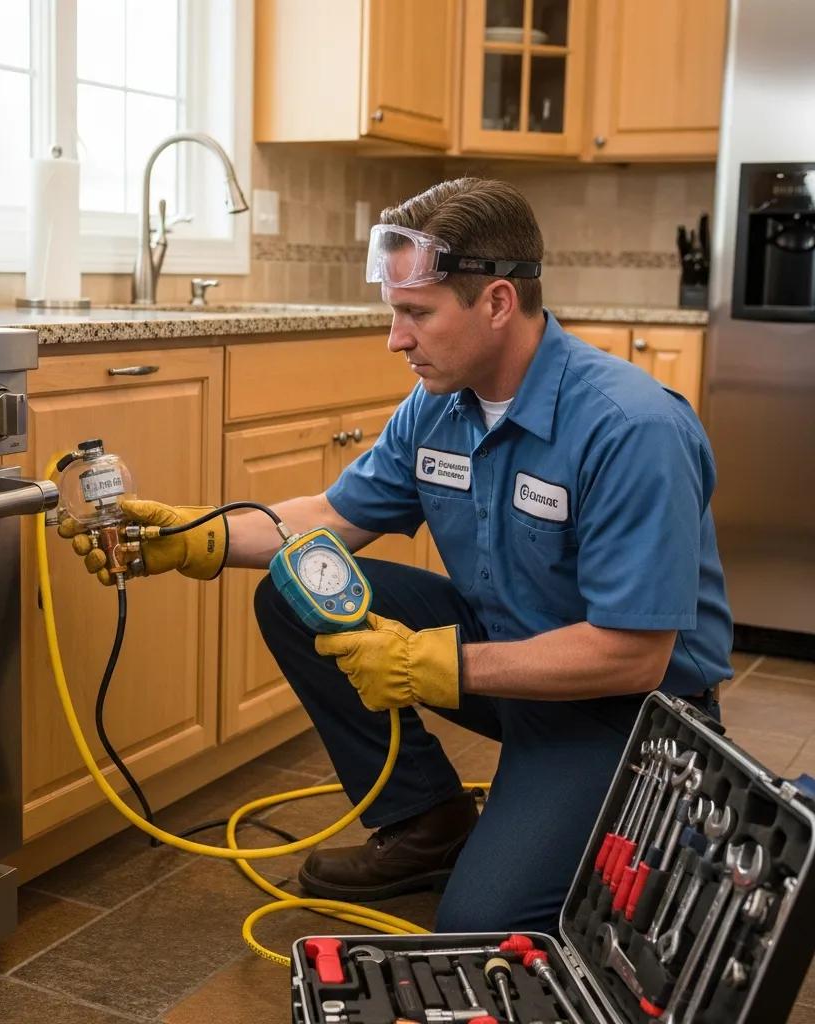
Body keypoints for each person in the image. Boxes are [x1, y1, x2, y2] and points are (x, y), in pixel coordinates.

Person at [60, 177, 733, 935]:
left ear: (498, 303)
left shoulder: (629, 428)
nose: (396, 339)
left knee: (480, 925)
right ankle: (427, 825)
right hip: (507, 655)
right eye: (394, 312)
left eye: (416, 313)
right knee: (294, 589)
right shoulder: (440, 404)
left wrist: (431, 665)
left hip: (626, 710)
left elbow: (634, 656)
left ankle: (669, 815)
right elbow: (333, 519)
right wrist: (195, 538)